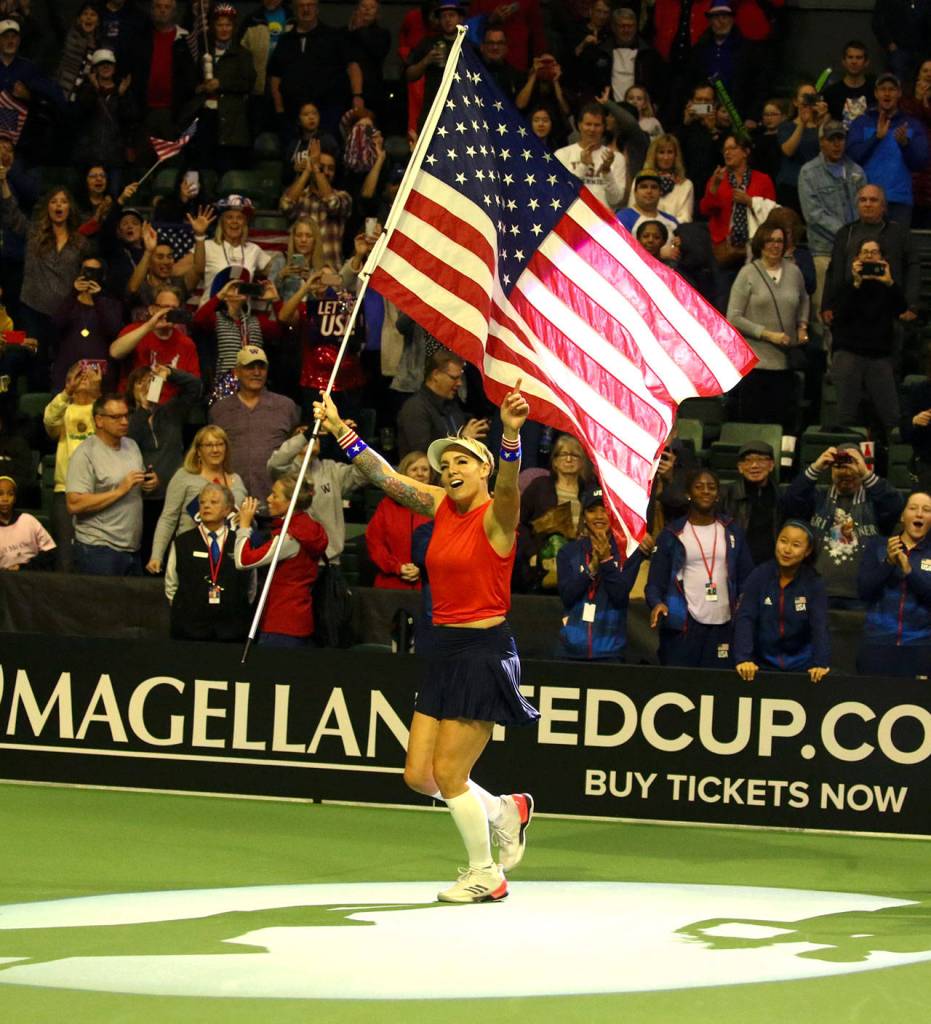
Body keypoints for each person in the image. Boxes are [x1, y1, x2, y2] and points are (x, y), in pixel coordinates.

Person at [313, 382, 539, 904]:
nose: (451, 468)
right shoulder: (438, 505)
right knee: (420, 776)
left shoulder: (498, 515)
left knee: (450, 773)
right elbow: (388, 479)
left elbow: (509, 486)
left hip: (484, 654)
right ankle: (506, 811)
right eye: (447, 462)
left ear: (484, 470)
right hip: (441, 652)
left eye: (464, 460)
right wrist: (340, 429)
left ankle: (486, 874)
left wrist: (508, 436)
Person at [646, 468, 754, 668]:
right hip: (685, 625)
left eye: (711, 487)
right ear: (688, 493)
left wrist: (743, 601)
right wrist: (656, 603)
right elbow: (654, 582)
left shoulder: (732, 531)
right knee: (682, 684)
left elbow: (748, 577)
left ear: (717, 495)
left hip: (724, 623)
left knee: (717, 686)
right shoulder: (672, 534)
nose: (706, 491)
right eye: (699, 487)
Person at [783, 442, 904, 607]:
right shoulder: (818, 498)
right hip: (817, 592)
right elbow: (790, 501)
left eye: (852, 466)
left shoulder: (874, 501)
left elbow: (895, 506)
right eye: (839, 467)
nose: (846, 471)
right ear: (831, 470)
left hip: (863, 595)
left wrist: (865, 473)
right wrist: (816, 467)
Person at [65, 392, 159, 575]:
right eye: (116, 417)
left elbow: (135, 487)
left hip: (132, 547)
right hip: (98, 549)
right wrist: (119, 490)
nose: (124, 421)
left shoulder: (131, 445)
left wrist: (149, 484)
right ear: (99, 420)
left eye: (126, 415)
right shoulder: (85, 454)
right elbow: (74, 504)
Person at [726, 222, 809, 429]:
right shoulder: (748, 273)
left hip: (784, 364)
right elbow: (733, 317)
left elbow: (804, 300)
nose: (775, 245)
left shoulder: (794, 272)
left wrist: (803, 326)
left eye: (779, 241)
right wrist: (767, 334)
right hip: (755, 365)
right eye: (770, 240)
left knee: (782, 422)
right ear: (761, 244)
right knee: (752, 422)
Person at [235, 474, 329, 647]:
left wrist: (244, 526)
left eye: (275, 495)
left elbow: (243, 561)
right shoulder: (309, 527)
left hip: (280, 625)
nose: (269, 499)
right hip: (299, 620)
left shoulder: (290, 537)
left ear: (290, 501)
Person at [734, 519, 831, 682]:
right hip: (761, 665)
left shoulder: (814, 583)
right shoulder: (759, 576)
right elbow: (746, 618)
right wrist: (744, 659)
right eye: (783, 541)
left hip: (802, 667)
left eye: (796, 545)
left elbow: (819, 626)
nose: (787, 550)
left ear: (807, 551)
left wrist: (820, 663)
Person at [830, 238, 907, 439]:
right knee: (846, 414)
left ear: (882, 258)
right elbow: (840, 316)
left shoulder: (888, 288)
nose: (870, 256)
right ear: (857, 258)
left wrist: (889, 282)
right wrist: (856, 282)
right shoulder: (847, 286)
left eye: (874, 252)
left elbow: (902, 309)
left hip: (879, 356)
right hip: (849, 353)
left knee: (892, 415)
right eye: (865, 252)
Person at [556, 485, 644, 660]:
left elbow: (620, 596)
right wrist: (592, 568)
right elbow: (567, 596)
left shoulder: (629, 553)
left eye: (605, 510)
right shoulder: (569, 552)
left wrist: (606, 561)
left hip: (610, 651)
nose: (599, 516)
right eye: (592, 511)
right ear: (584, 516)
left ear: (614, 515)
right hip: (571, 651)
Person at [126, 362, 203, 559]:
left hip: (175, 495)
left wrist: (170, 373)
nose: (145, 387)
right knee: (147, 554)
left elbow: (195, 386)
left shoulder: (171, 411)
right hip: (144, 500)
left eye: (150, 382)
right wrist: (143, 409)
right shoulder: (126, 420)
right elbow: (130, 440)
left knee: (175, 553)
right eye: (139, 383)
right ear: (131, 389)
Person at [147, 425, 247, 575]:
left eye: (220, 444)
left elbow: (245, 519)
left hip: (226, 557)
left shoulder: (236, 480)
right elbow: (168, 518)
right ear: (198, 450)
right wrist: (157, 556)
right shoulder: (184, 477)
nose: (215, 450)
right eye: (209, 445)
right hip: (190, 552)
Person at [209, 345, 300, 504]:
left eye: (261, 367)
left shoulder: (286, 407)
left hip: (277, 503)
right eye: (250, 367)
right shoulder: (219, 410)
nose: (257, 372)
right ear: (236, 372)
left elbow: (297, 450)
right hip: (232, 504)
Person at [165, 482, 254, 642]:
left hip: (232, 628)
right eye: (203, 502)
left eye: (213, 502)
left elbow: (250, 585)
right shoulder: (183, 542)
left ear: (227, 509)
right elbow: (171, 584)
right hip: (190, 628)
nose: (206, 506)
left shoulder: (239, 541)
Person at [821, 183, 920, 325]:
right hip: (850, 308)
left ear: (884, 206)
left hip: (889, 310)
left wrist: (912, 305)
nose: (867, 204)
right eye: (863, 200)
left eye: (873, 200)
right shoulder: (845, 233)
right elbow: (833, 271)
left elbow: (913, 268)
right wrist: (828, 305)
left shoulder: (899, 233)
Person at [266, 424, 366, 563]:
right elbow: (276, 462)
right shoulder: (285, 473)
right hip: (294, 559)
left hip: (329, 560)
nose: (312, 437)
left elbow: (366, 471)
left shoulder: (332, 470)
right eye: (301, 434)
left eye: (315, 435)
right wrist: (306, 435)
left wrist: (350, 437)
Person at [857, 490, 931, 676]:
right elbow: (864, 590)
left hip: (920, 646)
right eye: (913, 508)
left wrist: (909, 572)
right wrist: (888, 564)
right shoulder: (878, 546)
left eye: (926, 510)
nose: (919, 514)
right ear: (902, 516)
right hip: (878, 643)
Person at [797, 121, 867, 317]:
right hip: (824, 250)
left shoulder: (856, 171)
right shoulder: (808, 172)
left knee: (855, 306)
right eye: (832, 139)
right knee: (825, 308)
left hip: (855, 253)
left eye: (841, 139)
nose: (837, 144)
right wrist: (847, 234)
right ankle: (827, 348)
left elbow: (864, 206)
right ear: (821, 142)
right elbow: (813, 215)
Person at [267, 0, 363, 138]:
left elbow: (352, 67)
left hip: (329, 112)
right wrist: (279, 108)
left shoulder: (334, 37)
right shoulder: (285, 41)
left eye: (310, 5)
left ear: (317, 8)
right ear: (294, 10)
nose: (306, 9)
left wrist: (357, 96)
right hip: (292, 115)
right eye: (301, 6)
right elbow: (275, 77)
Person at [846, 72, 929, 227]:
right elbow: (853, 156)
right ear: (876, 93)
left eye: (891, 89)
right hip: (867, 200)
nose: (887, 93)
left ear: (899, 93)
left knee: (895, 250)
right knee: (866, 249)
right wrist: (876, 137)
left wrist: (905, 145)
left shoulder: (912, 124)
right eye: (882, 89)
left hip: (899, 201)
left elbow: (921, 162)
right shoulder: (861, 122)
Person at [43, 361, 102, 571]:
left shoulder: (104, 412)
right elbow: (49, 422)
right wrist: (67, 391)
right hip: (65, 491)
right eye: (80, 374)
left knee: (96, 560)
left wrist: (98, 393)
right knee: (65, 559)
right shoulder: (64, 410)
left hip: (99, 493)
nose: (85, 376)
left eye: (91, 373)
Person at [108, 286, 201, 399]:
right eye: (165, 307)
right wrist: (149, 326)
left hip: (169, 409)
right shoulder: (134, 331)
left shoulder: (186, 344)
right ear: (152, 309)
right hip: (134, 405)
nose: (169, 312)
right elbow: (115, 352)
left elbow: (194, 384)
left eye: (174, 308)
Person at [396, 350, 489, 458]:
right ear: (435, 374)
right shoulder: (415, 408)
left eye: (460, 377)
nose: (460, 383)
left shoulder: (452, 405)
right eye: (454, 378)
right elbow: (423, 456)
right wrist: (462, 440)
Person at [49, 258, 122, 392]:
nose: (90, 276)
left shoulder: (111, 304)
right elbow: (56, 325)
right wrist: (73, 293)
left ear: (103, 276)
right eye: (86, 270)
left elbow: (113, 330)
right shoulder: (67, 301)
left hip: (100, 377)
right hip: (67, 374)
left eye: (95, 272)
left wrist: (98, 298)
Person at [365, 450, 432, 589]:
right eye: (414, 469)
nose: (420, 473)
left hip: (427, 587)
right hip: (390, 585)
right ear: (404, 474)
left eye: (425, 469)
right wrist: (397, 567)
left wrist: (423, 568)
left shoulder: (437, 507)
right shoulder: (386, 506)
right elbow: (375, 543)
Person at [279, 144, 353, 269]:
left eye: (331, 169)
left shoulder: (343, 197)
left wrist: (317, 170)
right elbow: (285, 205)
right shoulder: (300, 196)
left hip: (330, 273)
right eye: (321, 167)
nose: (326, 172)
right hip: (299, 273)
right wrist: (307, 171)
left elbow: (332, 204)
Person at [197, 194, 272, 305]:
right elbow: (198, 270)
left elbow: (273, 271)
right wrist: (199, 235)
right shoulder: (207, 245)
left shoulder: (254, 250)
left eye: (239, 218)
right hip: (210, 312)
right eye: (229, 217)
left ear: (245, 223)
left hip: (240, 315)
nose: (234, 221)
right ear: (222, 222)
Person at [720, 441, 783, 565]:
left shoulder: (781, 496)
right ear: (740, 467)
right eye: (748, 461)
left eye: (761, 460)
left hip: (772, 565)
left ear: (771, 465)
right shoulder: (725, 494)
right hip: (735, 562)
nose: (754, 465)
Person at [555, 102, 626, 210]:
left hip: (603, 221)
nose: (592, 129)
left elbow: (615, 199)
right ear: (579, 125)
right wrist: (583, 165)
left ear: (604, 127)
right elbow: (561, 193)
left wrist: (607, 171)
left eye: (597, 125)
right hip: (573, 219)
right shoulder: (562, 154)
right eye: (588, 124)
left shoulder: (616, 158)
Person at [776, 81, 830, 211]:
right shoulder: (786, 126)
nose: (808, 100)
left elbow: (827, 152)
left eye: (812, 96)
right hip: (791, 186)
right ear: (795, 101)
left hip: (816, 186)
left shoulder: (823, 125)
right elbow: (788, 150)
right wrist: (802, 123)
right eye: (805, 96)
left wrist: (822, 121)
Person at [0, 475, 55, 570]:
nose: (5, 499)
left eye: (10, 494)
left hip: (30, 576)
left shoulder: (28, 521)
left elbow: (50, 551)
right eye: (0, 494)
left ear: (15, 498)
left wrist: (24, 567)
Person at [823, 40, 874, 129]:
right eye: (850, 57)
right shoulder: (830, 93)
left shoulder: (875, 92)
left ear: (866, 62)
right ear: (843, 61)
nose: (854, 61)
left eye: (858, 58)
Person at [644, 134, 694, 223]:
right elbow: (634, 212)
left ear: (676, 156)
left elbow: (685, 219)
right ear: (654, 155)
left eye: (670, 152)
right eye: (661, 152)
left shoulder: (686, 185)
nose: (666, 157)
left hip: (674, 234)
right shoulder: (641, 181)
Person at [616, 170, 679, 236]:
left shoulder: (672, 221)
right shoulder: (622, 218)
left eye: (654, 187)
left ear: (660, 192)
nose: (649, 191)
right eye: (644, 187)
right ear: (635, 192)